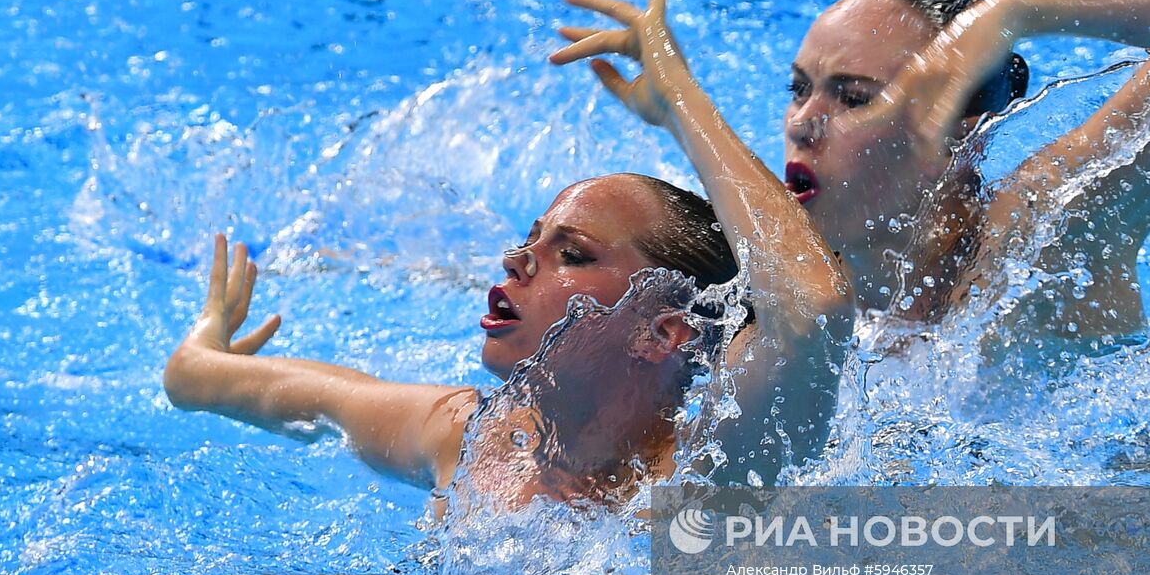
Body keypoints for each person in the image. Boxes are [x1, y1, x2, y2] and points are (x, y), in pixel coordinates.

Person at [551, 0, 1150, 342]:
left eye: (853, 96)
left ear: (957, 131)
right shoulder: (764, 275)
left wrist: (1019, 14)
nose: (803, 123)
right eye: (799, 87)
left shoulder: (1041, 244)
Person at [163, 169, 853, 508]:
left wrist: (672, 92)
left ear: (661, 332)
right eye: (530, 240)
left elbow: (816, 301)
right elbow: (196, 377)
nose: (516, 261)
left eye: (572, 254)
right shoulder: (466, 438)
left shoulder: (700, 480)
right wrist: (205, 341)